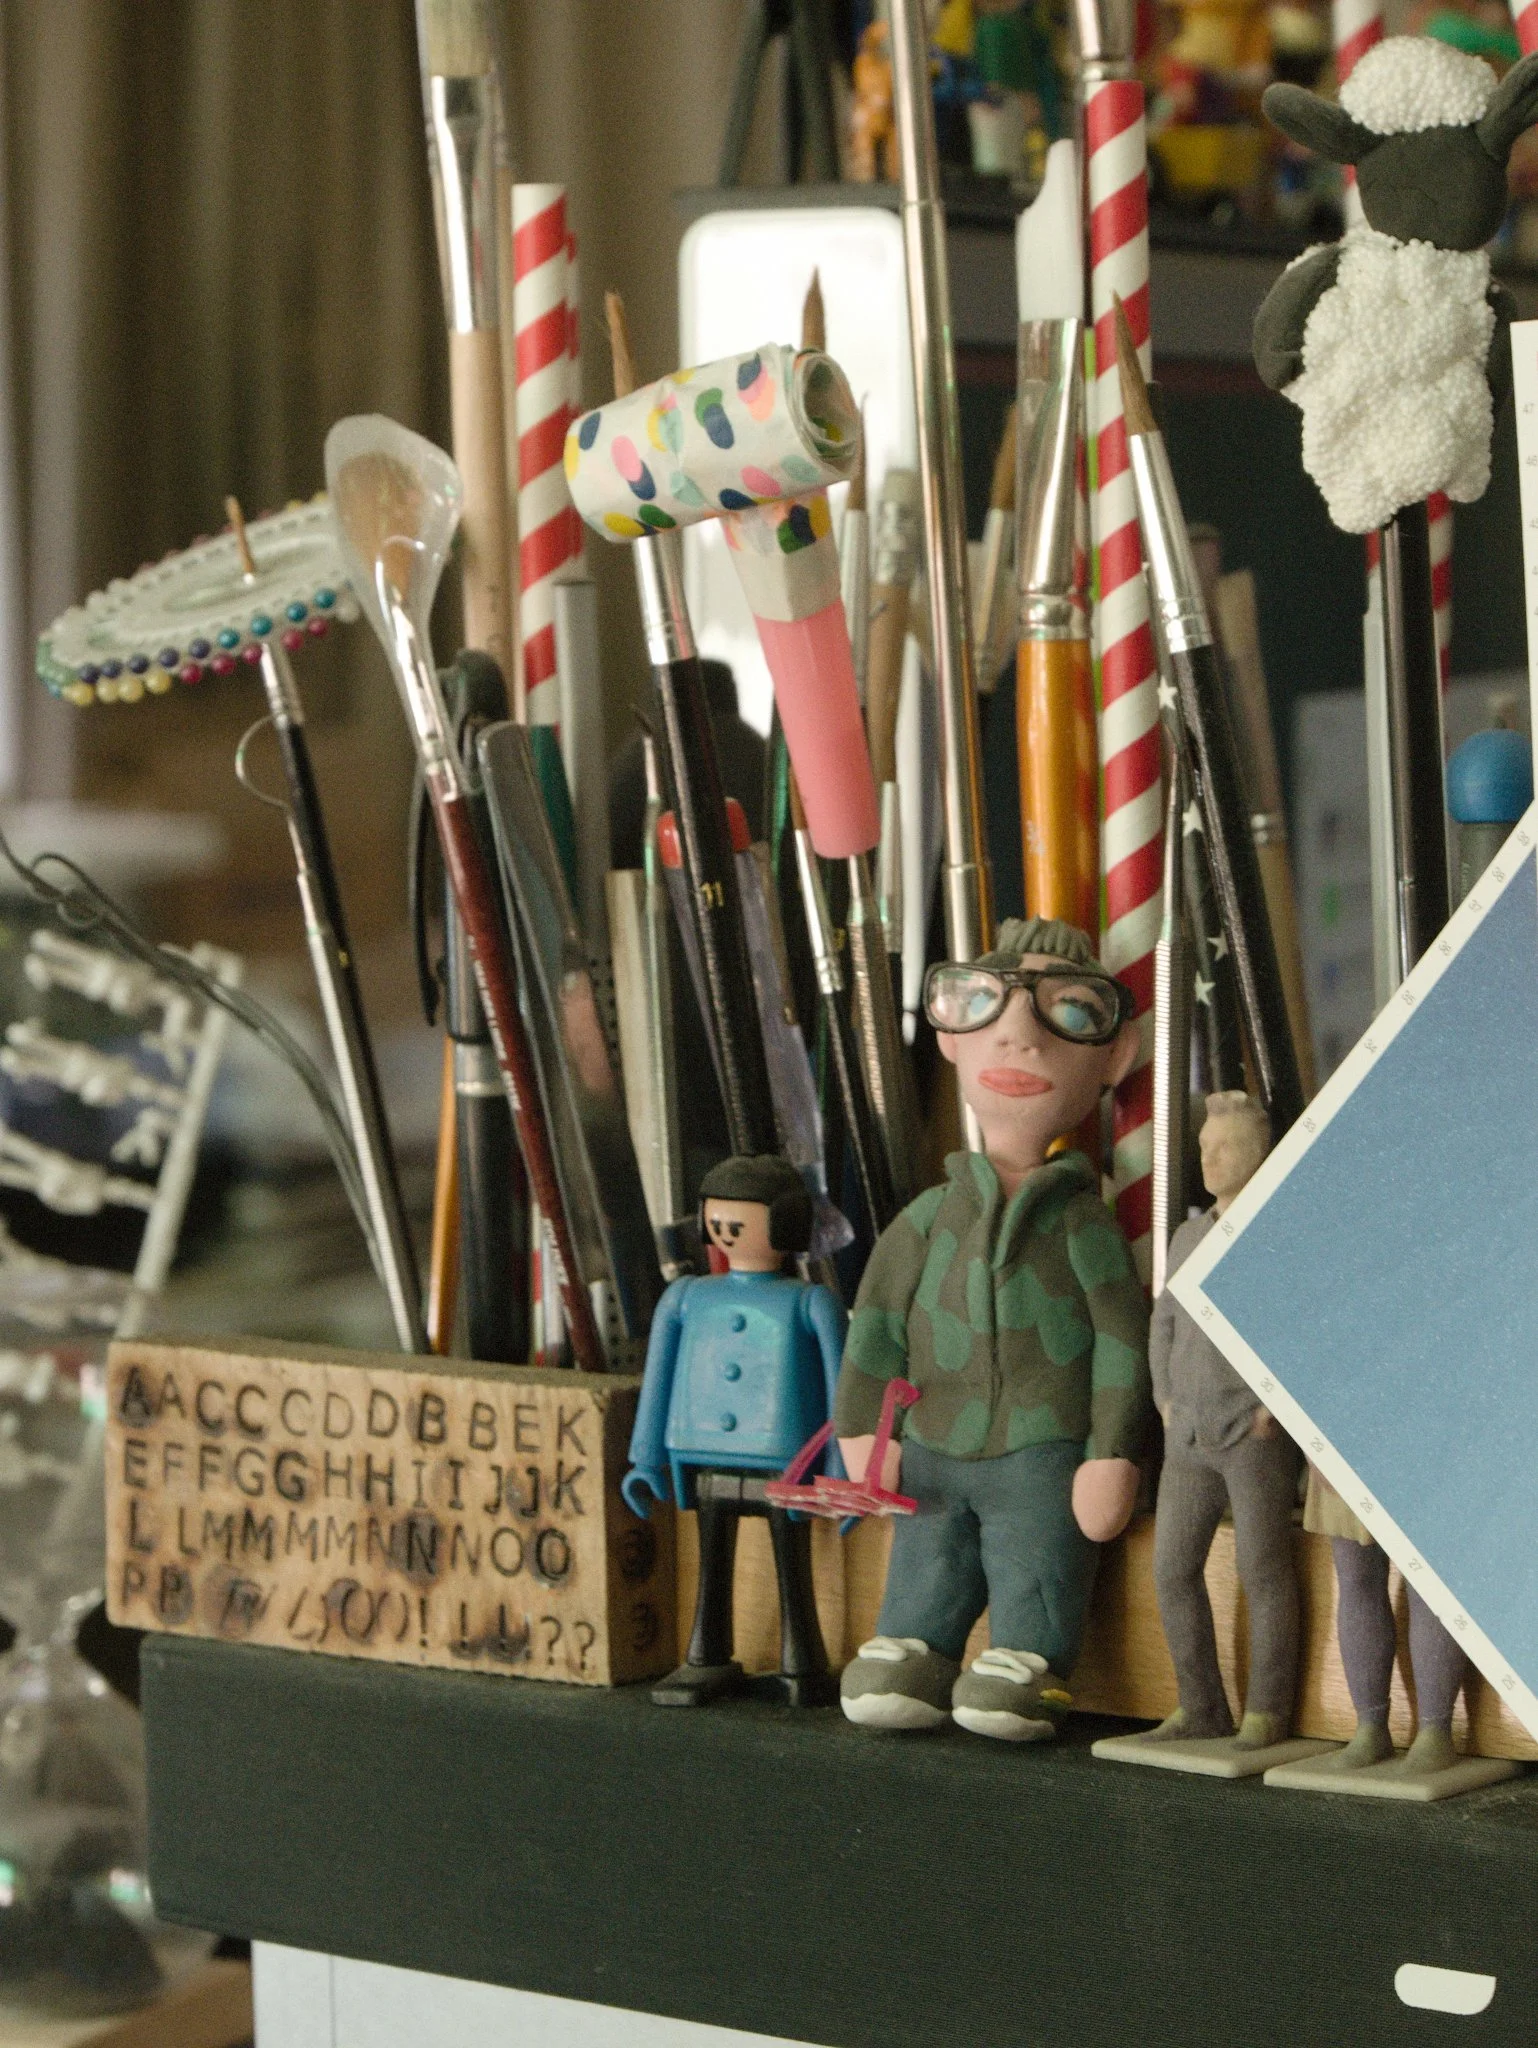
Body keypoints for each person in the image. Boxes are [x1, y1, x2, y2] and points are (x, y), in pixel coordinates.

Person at [834, 917, 1153, 1741]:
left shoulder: (1086, 1229)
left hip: (1045, 1452)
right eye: (983, 1005)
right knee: (926, 1557)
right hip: (933, 1448)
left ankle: (1028, 1661)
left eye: (1069, 1014)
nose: (1018, 1037)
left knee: (1037, 1565)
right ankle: (913, 1643)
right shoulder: (928, 1219)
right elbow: (875, 1329)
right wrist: (863, 1431)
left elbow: (1124, 1344)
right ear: (949, 1038)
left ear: (1113, 1057)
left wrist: (1110, 1452)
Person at [623, 1154, 846, 1708]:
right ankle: (706, 1657)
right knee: (711, 1565)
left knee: (792, 1569)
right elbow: (658, 1379)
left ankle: (803, 1664)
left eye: (739, 1223)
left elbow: (845, 1391)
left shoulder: (811, 1302)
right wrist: (645, 1460)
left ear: (788, 1224)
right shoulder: (686, 1297)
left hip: (786, 1462)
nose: (726, 1234)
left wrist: (843, 1473)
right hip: (701, 1455)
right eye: (717, 1224)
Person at [1143, 1092, 1304, 1752]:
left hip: (1250, 1434)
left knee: (1263, 1570)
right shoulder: (1187, 1236)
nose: (1209, 1159)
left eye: (1224, 1147)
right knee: (1171, 1569)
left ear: (1258, 1152)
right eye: (1204, 1148)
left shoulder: (1278, 1233)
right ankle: (1200, 1704)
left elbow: (1298, 1331)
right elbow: (1163, 1323)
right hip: (1187, 1436)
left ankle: (1268, 1710)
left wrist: (1273, 1409)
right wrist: (1163, 1398)